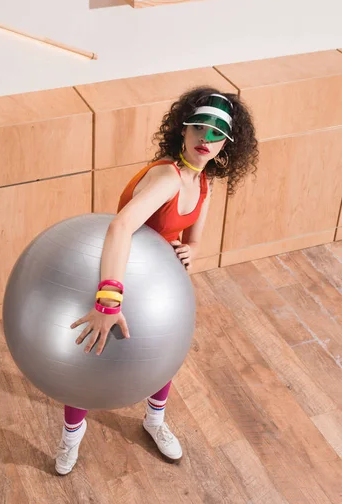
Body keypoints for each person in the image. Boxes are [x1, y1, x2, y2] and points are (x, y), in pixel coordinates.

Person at [54, 86, 259, 474]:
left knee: (164, 355)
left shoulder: (203, 183)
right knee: (90, 361)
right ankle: (69, 442)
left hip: (156, 285)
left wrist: (190, 251)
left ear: (226, 145)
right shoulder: (167, 177)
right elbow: (120, 228)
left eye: (217, 135)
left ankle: (154, 421)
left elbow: (193, 238)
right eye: (199, 128)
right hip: (117, 273)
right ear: (183, 129)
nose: (206, 139)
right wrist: (107, 303)